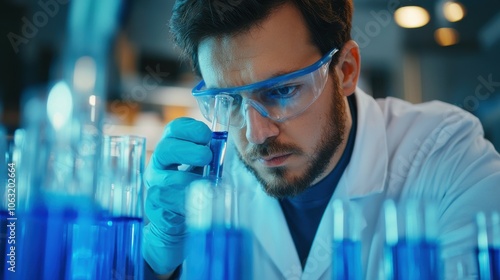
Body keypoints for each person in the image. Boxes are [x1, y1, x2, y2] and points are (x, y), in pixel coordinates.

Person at [142, 0, 500, 279]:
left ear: (345, 70)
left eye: (282, 90)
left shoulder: (449, 155)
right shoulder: (204, 179)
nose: (256, 133)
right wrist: (156, 262)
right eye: (229, 101)